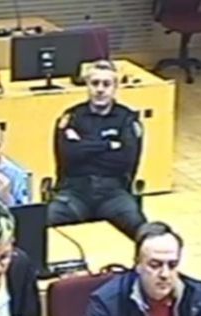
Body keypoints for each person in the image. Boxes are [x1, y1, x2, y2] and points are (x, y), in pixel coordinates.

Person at [46, 60, 147, 238]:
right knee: (40, 224)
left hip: (113, 193)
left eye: (106, 84)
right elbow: (69, 155)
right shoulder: (72, 116)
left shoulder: (127, 118)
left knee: (142, 230)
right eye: (95, 83)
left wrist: (83, 145)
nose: (100, 89)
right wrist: (108, 145)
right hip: (74, 192)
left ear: (115, 87)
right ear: (87, 85)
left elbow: (124, 161)